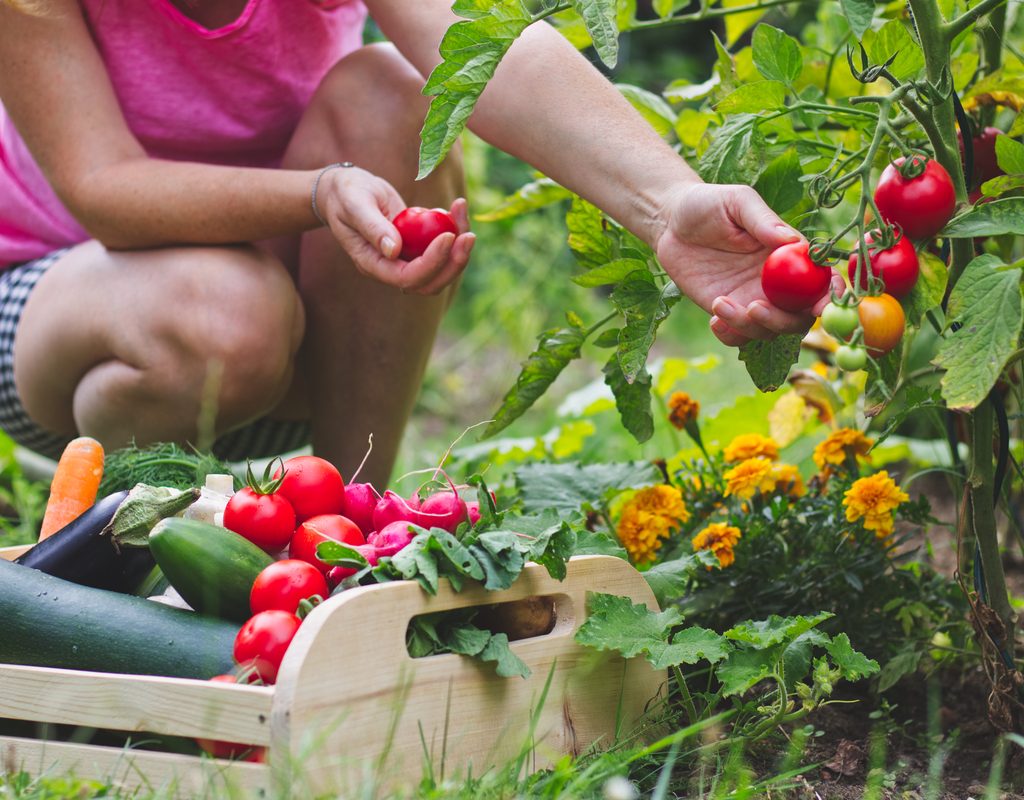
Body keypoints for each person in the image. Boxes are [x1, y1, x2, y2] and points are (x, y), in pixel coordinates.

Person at [0, 0, 835, 488]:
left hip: (293, 342)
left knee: (397, 93)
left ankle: (344, 523)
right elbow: (105, 188)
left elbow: (488, 55)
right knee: (221, 313)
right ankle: (108, 545)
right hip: (68, 325)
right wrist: (321, 192)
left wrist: (668, 205)